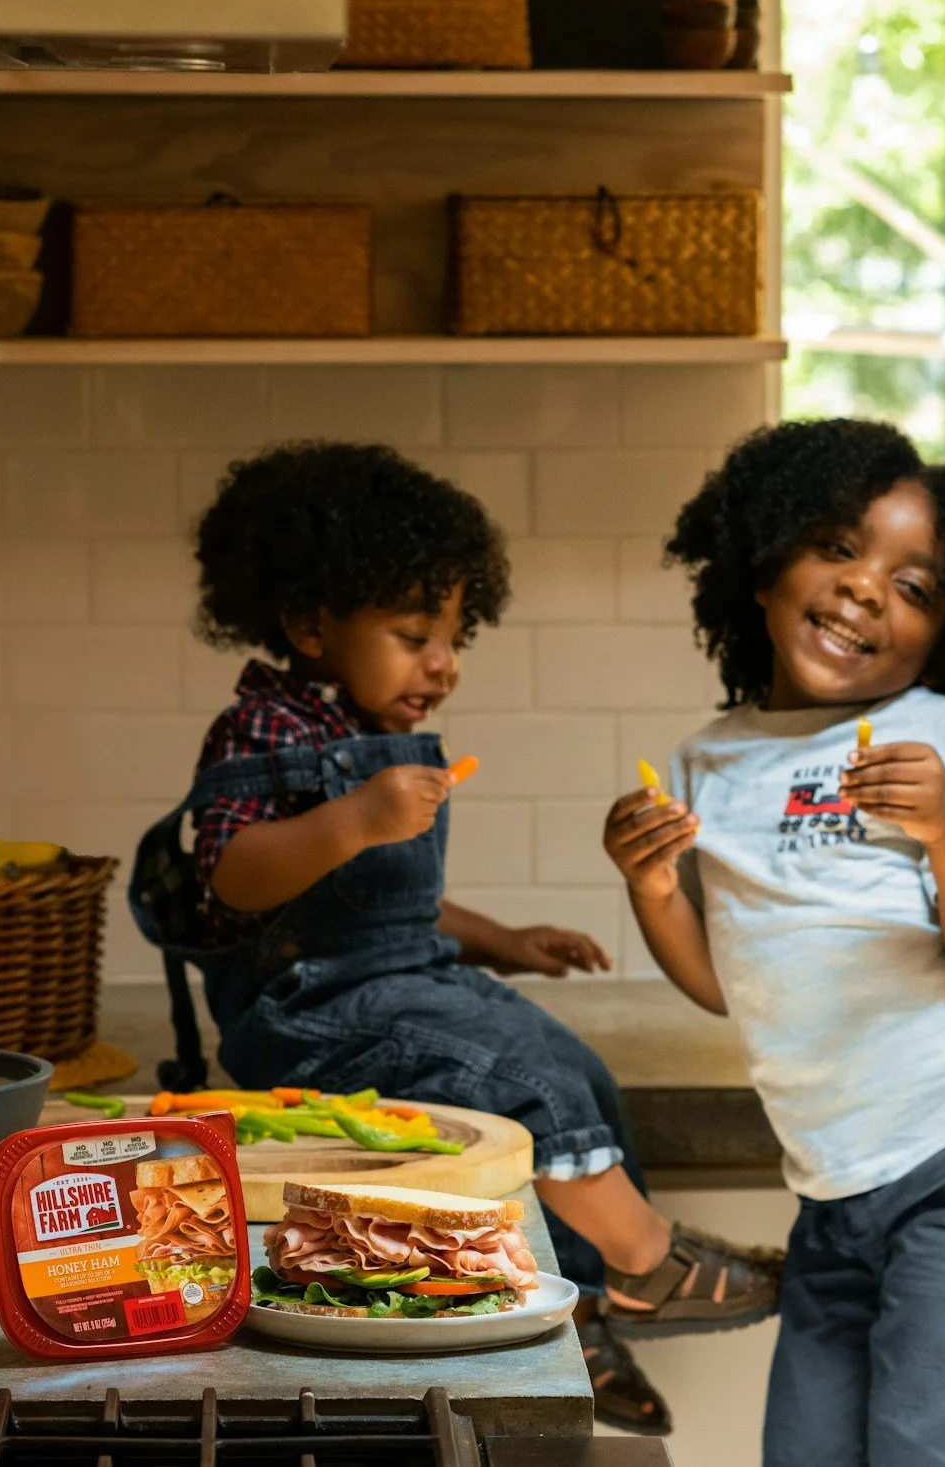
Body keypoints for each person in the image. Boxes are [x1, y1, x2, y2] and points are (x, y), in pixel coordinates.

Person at [127, 441, 778, 1435]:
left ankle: (588, 1305)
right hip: (306, 1012)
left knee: (574, 1065)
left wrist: (504, 939)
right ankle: (648, 1260)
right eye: (412, 632)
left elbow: (389, 905)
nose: (444, 660)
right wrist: (352, 818)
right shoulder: (262, 728)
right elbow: (234, 874)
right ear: (310, 622)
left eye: (453, 634)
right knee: (518, 1071)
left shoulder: (366, 726)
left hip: (405, 978)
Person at [605, 419, 945, 1467]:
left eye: (914, 586)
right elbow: (722, 979)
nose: (866, 589)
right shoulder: (710, 759)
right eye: (836, 546)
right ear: (762, 562)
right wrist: (651, 884)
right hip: (833, 1183)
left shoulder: (937, 730)